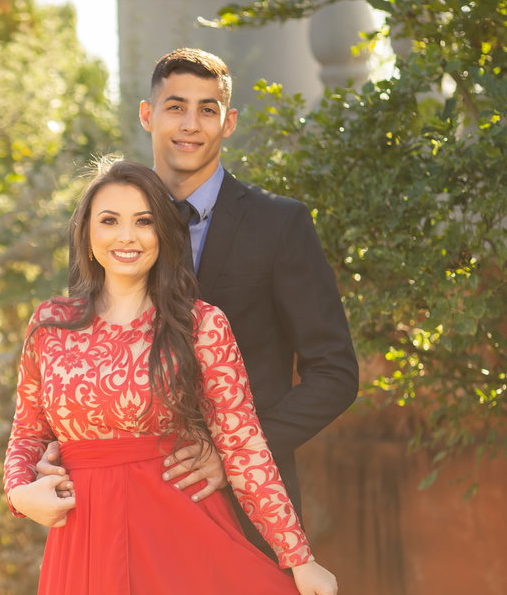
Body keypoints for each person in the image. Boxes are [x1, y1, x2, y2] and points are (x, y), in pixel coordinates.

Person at [2, 157, 380, 595]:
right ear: (86, 233)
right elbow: (27, 436)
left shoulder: (202, 326)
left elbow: (244, 445)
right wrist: (19, 493)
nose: (127, 235)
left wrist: (298, 559)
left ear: (164, 234)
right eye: (110, 220)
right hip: (84, 554)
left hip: (179, 549)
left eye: (144, 221)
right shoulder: (50, 325)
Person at [38, 49, 359, 560]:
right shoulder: (109, 228)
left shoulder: (280, 225)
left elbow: (335, 372)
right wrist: (54, 450)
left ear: (228, 122)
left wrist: (233, 455)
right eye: (175, 106)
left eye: (208, 110)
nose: (191, 125)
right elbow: (81, 356)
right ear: (148, 115)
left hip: (246, 507)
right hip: (127, 514)